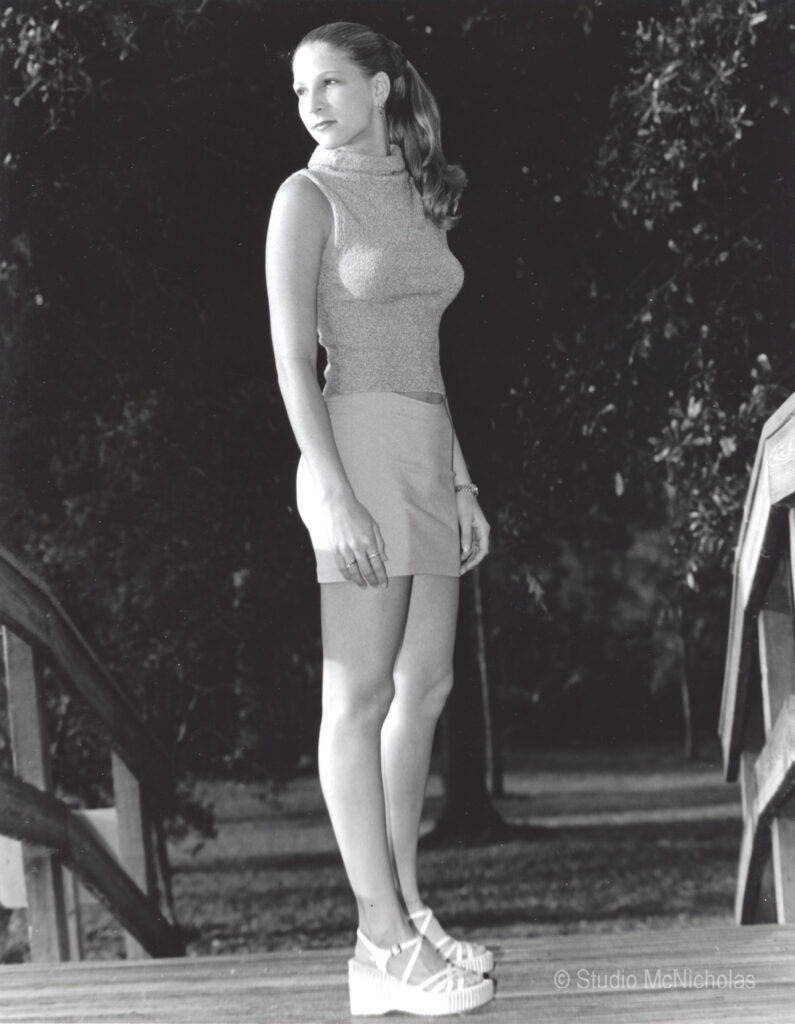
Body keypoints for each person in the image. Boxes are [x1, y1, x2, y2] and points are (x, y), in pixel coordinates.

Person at [265, 21, 495, 1017]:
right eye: (300, 89)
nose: (312, 101)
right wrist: (332, 489)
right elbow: (289, 359)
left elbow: (423, 352)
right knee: (354, 697)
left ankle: (406, 906)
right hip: (351, 446)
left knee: (428, 687)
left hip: (428, 451)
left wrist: (462, 480)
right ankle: (378, 941)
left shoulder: (417, 193)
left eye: (330, 83)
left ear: (384, 87)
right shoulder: (303, 198)